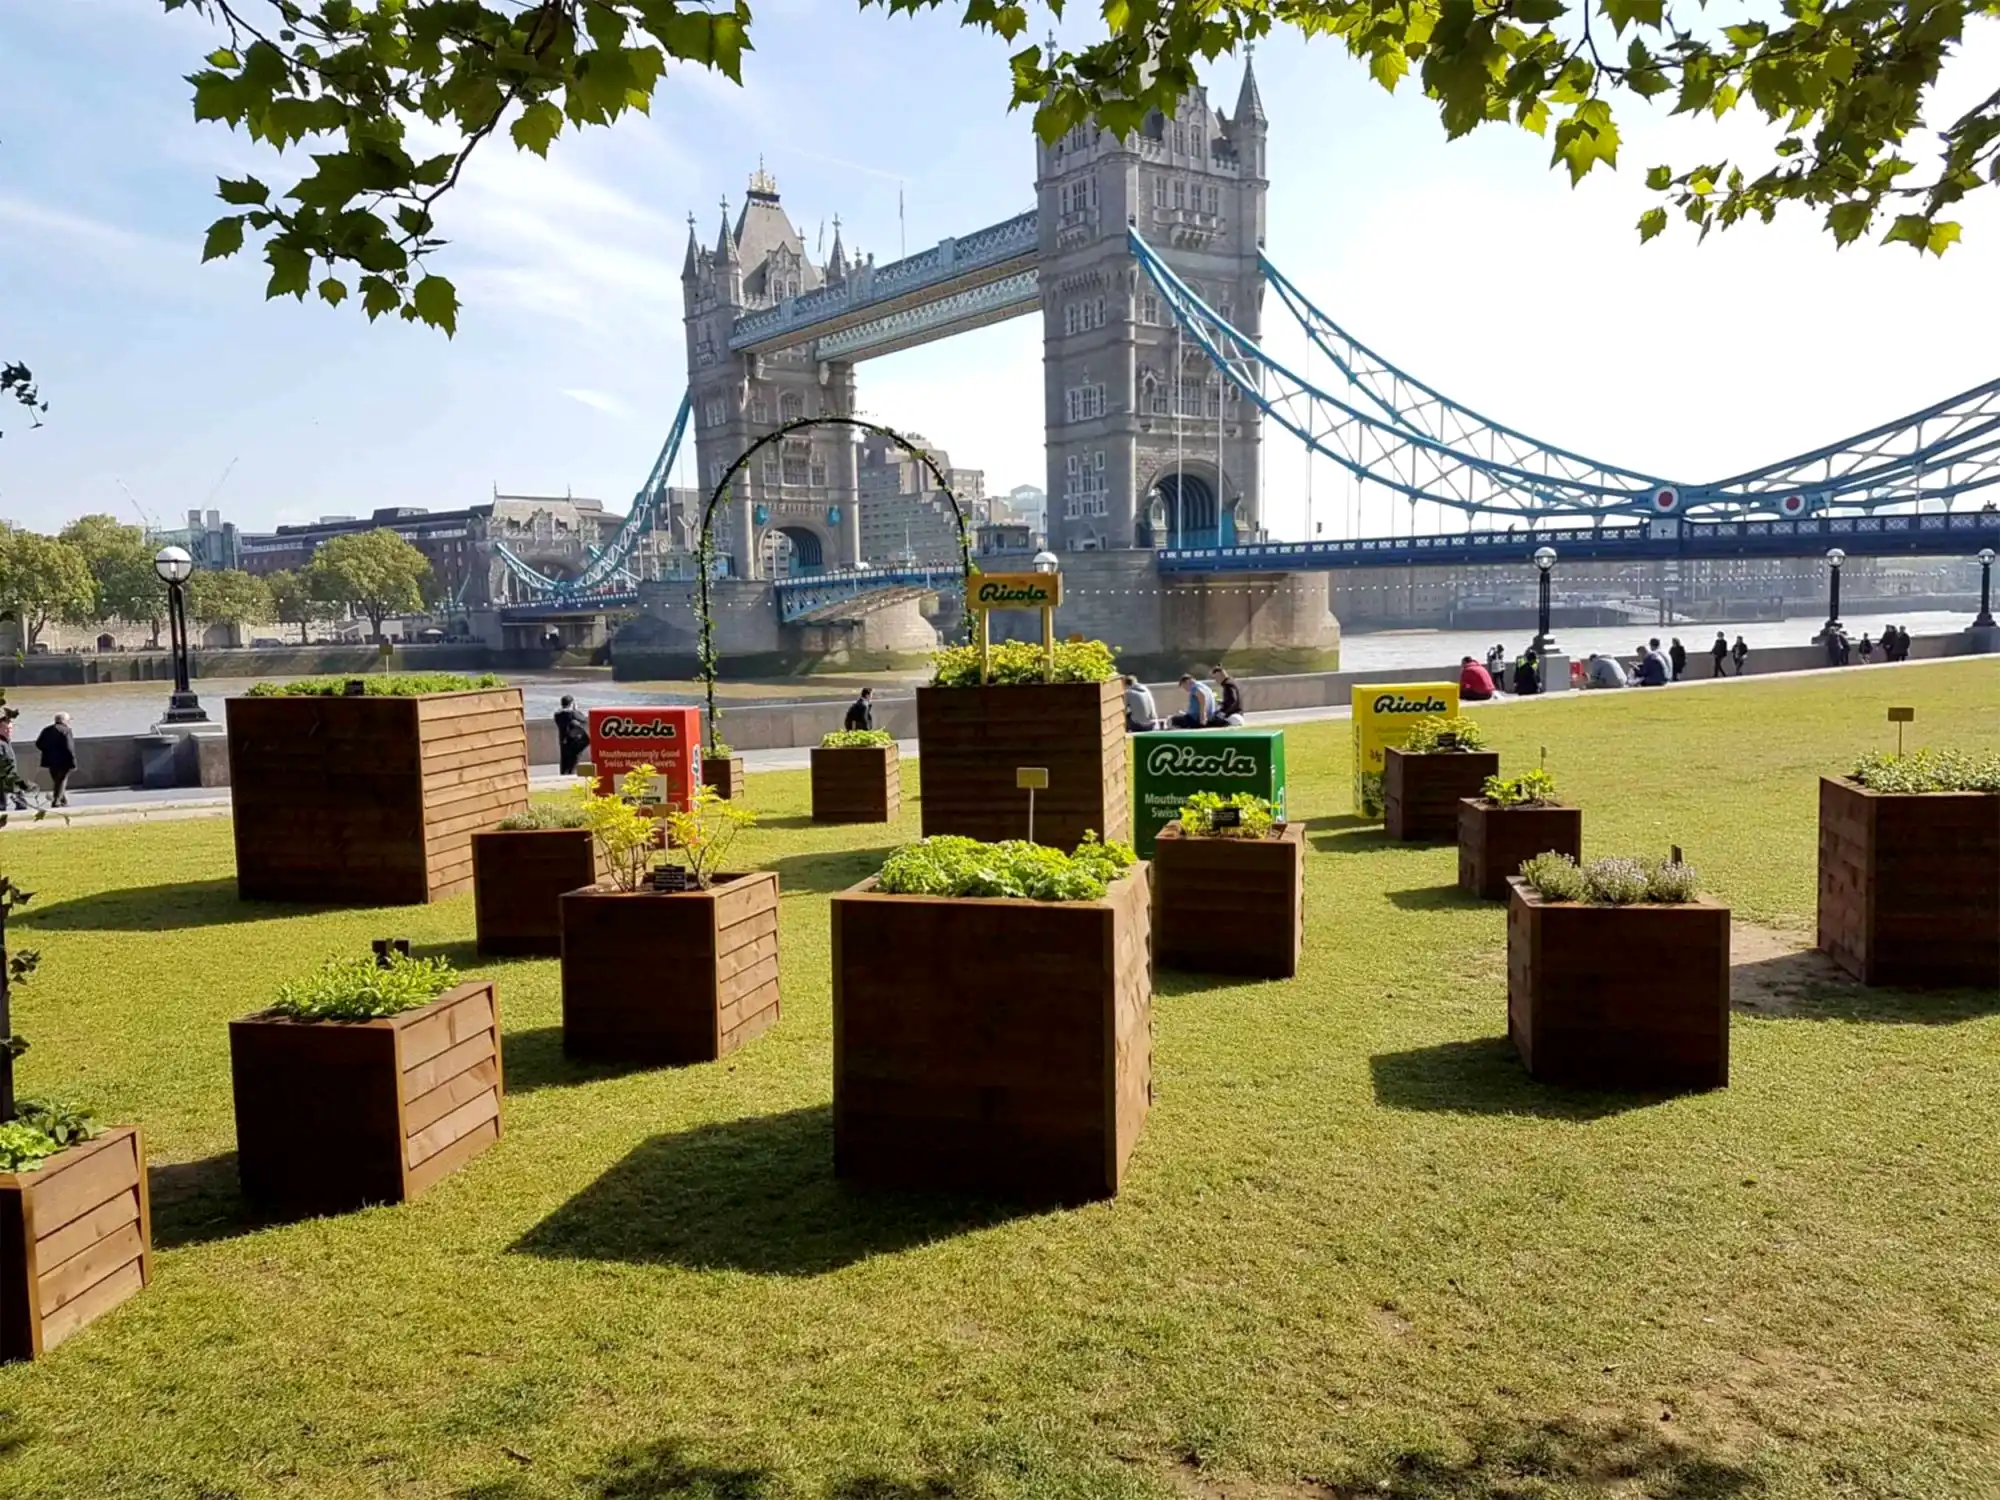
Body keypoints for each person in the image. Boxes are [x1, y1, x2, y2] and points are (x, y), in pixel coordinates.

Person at [33, 712, 76, 807]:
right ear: (64, 720)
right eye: (68, 720)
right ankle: (56, 801)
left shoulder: (47, 730)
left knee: (58, 781)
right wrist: (72, 761)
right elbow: (69, 747)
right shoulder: (66, 730)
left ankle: (63, 801)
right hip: (64, 760)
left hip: (50, 761)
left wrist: (48, 751)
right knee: (62, 780)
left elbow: (38, 743)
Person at [553, 695, 589, 776]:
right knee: (574, 759)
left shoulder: (557, 715)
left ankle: (564, 775)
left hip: (563, 740)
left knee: (564, 759)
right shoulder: (572, 713)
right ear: (571, 703)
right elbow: (583, 719)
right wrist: (576, 710)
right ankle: (571, 774)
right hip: (574, 741)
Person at [0, 715, 27, 811]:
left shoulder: (6, 741)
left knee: (18, 797)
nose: (9, 731)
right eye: (6, 729)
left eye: (10, 728)